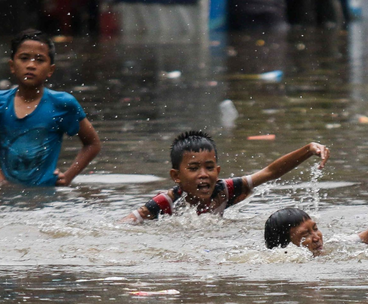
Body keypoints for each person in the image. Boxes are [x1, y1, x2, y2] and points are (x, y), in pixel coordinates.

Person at [122, 130, 330, 223]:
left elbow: (270, 172)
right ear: (176, 176)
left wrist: (309, 149)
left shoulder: (225, 189)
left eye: (209, 167)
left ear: (218, 171)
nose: (203, 175)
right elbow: (122, 226)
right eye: (193, 168)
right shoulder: (164, 203)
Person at [0, 29, 101, 187]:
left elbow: (92, 144)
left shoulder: (62, 104)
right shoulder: (1, 103)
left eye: (39, 60)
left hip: (46, 200)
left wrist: (68, 176)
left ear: (50, 70)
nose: (31, 65)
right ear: (12, 66)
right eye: (24, 58)